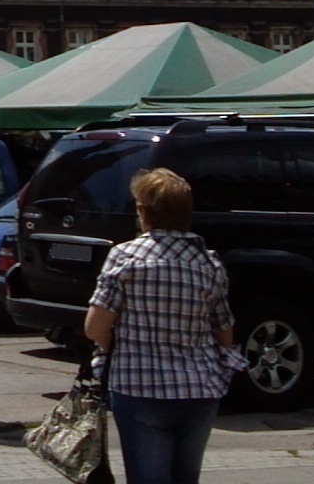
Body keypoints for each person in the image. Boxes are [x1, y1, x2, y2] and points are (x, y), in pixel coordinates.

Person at [83, 168, 238, 484]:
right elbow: (225, 334)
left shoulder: (124, 257)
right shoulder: (209, 263)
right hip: (200, 388)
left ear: (144, 212)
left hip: (139, 387)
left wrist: (118, 345)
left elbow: (95, 326)